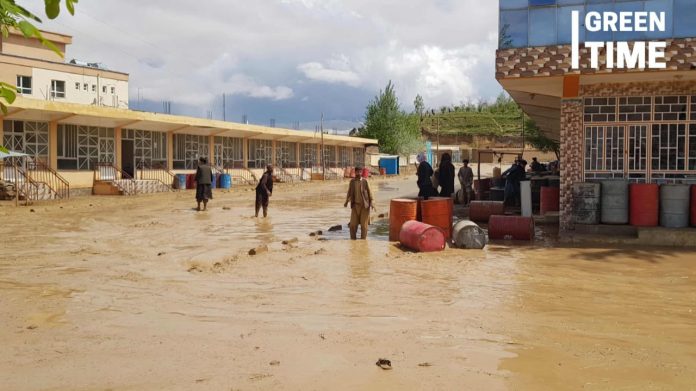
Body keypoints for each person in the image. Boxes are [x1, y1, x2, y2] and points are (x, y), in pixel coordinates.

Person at [344, 167, 375, 240]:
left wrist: (372, 202)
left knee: (364, 226)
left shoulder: (365, 181)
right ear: (355, 172)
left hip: (364, 206)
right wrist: (346, 202)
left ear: (362, 172)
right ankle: (353, 240)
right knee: (352, 225)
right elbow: (349, 192)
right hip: (355, 206)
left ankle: (363, 241)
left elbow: (370, 193)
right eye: (357, 172)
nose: (359, 174)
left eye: (360, 172)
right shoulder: (352, 182)